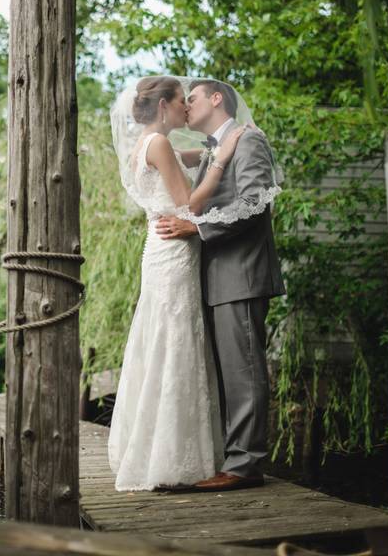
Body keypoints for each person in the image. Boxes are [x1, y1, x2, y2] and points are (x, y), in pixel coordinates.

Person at [106, 76, 245, 491]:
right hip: (174, 250)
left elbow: (189, 158)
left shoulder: (146, 144)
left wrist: (210, 151)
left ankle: (154, 447)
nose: (187, 106)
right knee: (176, 338)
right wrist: (225, 157)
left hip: (159, 248)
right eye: (182, 100)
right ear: (164, 106)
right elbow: (187, 203)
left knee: (163, 338)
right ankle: (172, 456)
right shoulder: (159, 144)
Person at [155, 79, 285, 491]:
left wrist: (194, 228)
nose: (186, 106)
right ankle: (231, 457)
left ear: (216, 99)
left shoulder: (248, 140)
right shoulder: (214, 147)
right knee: (228, 373)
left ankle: (245, 466)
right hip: (216, 277)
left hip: (243, 274)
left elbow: (253, 204)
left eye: (191, 99)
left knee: (244, 372)